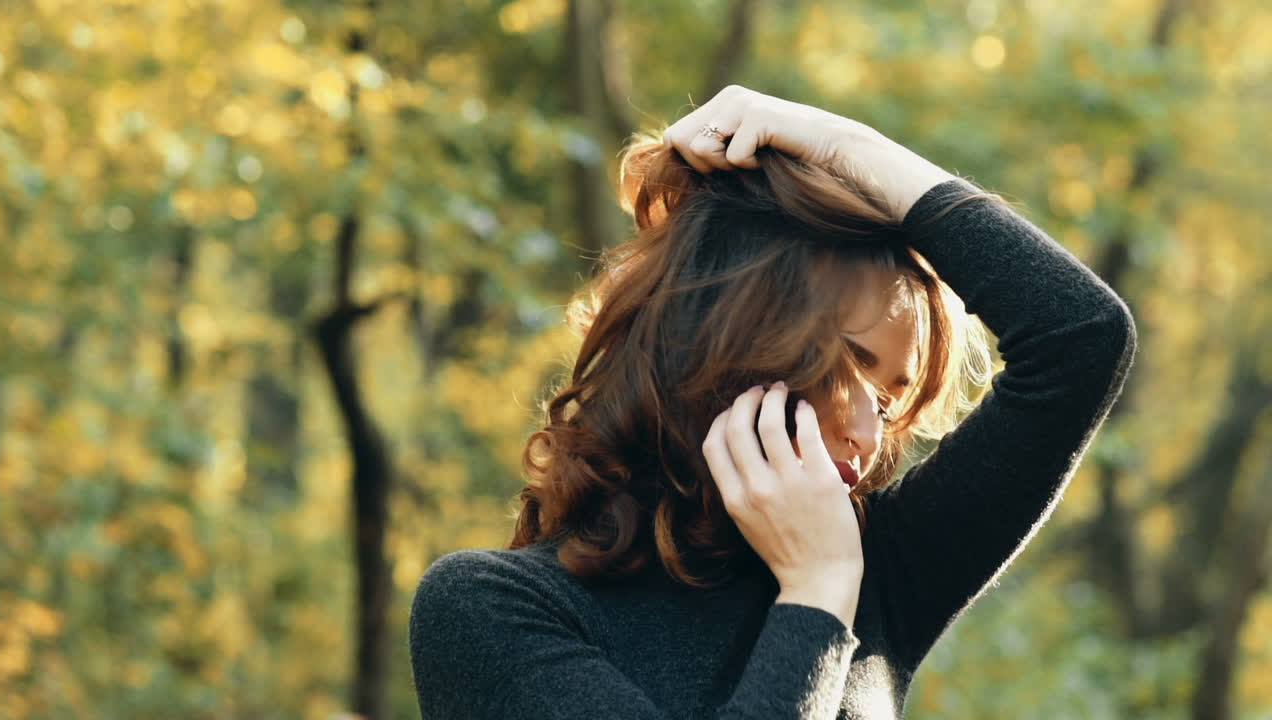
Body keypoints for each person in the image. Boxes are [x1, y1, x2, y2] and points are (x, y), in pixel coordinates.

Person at [408, 85, 1137, 719]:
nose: (866, 434)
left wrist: (838, 141)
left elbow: (1082, 339)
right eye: (846, 366)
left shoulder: (882, 570)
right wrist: (816, 595)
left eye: (888, 401)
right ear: (725, 342)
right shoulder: (492, 612)